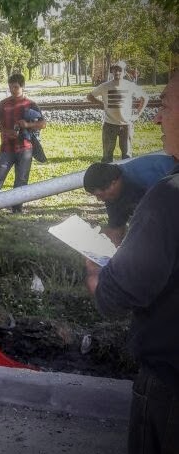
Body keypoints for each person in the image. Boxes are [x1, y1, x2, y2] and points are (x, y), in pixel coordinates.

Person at [84, 72, 179, 454]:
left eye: (166, 106)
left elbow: (120, 292)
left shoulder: (163, 195)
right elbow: (120, 228)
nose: (156, 118)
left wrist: (95, 270)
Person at [0, 73, 46, 213]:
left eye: (16, 87)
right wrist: (6, 131)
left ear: (23, 86)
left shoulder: (31, 104)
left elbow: (43, 124)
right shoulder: (4, 104)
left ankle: (17, 209)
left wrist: (28, 124)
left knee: (21, 180)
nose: (13, 90)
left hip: (25, 148)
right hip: (6, 148)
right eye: (10, 87)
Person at [83, 154, 176, 245]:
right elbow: (116, 231)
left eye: (100, 195)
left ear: (113, 184)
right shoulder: (112, 197)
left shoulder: (147, 178)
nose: (99, 200)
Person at [87, 60, 148, 163]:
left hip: (126, 125)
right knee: (107, 156)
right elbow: (90, 96)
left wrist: (138, 113)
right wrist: (102, 104)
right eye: (114, 70)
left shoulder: (130, 85)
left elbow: (144, 98)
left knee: (127, 156)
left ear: (124, 72)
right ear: (112, 72)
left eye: (120, 70)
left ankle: (126, 176)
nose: (117, 73)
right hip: (109, 125)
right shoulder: (104, 86)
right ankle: (107, 177)